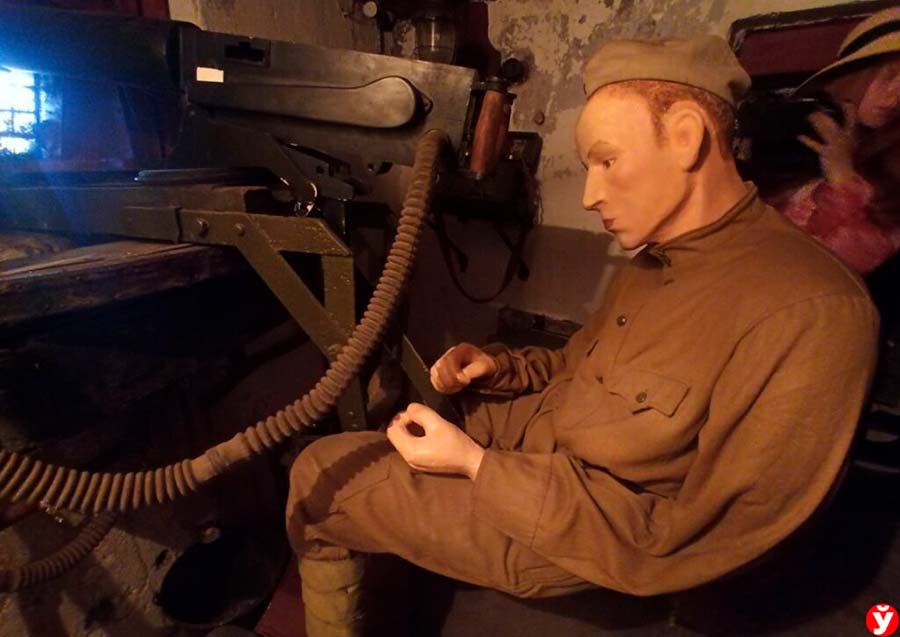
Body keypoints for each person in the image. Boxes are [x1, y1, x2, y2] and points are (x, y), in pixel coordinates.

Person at [286, 35, 879, 637]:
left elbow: (699, 540)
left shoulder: (812, 311)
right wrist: (499, 368)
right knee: (425, 403)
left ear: (685, 136)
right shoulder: (658, 260)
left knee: (319, 474)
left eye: (607, 162)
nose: (591, 195)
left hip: (576, 530)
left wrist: (477, 467)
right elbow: (575, 364)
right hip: (542, 451)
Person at [766, 6, 900, 276]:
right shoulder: (816, 130)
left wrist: (842, 176)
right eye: (888, 76)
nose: (894, 94)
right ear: (856, 76)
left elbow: (839, 262)